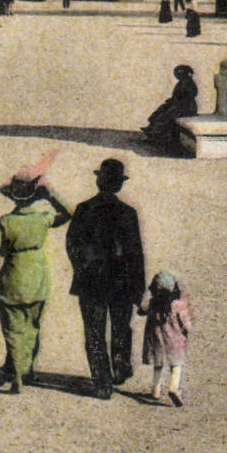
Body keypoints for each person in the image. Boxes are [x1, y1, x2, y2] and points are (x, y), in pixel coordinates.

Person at [0, 155, 72, 393]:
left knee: (13, 327)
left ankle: (16, 376)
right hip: (38, 275)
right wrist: (50, 195)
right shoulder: (42, 219)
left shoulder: (5, 221)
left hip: (13, 275)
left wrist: (7, 249)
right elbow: (68, 213)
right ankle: (29, 370)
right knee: (33, 325)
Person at [66, 158, 146, 399]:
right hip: (121, 282)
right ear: (119, 185)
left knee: (94, 332)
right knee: (121, 327)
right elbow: (135, 253)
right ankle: (120, 369)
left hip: (91, 281)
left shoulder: (83, 209)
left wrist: (82, 268)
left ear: (99, 181)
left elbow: (72, 246)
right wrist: (138, 288)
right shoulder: (128, 213)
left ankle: (102, 382)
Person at [139, 271, 194, 406]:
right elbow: (187, 325)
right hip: (175, 343)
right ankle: (174, 388)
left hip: (157, 342)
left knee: (158, 366)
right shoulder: (179, 306)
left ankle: (156, 390)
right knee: (176, 366)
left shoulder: (153, 304)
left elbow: (141, 310)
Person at [142, 65, 198, 150]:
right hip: (178, 105)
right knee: (160, 111)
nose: (176, 75)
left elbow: (187, 97)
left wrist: (175, 101)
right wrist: (172, 101)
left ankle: (159, 137)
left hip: (186, 108)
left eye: (178, 73)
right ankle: (153, 133)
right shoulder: (182, 82)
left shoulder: (189, 83)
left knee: (166, 116)